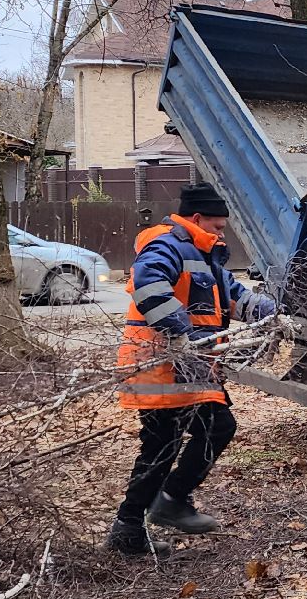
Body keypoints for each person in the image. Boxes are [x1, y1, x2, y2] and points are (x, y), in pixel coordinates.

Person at [108, 182, 276, 558]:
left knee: (184, 439)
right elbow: (148, 286)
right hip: (161, 363)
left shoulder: (203, 255)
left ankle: (139, 520)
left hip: (189, 365)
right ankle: (158, 508)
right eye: (218, 226)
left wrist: (276, 314)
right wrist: (180, 333)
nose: (222, 233)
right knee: (178, 440)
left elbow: (235, 297)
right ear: (197, 218)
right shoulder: (166, 245)